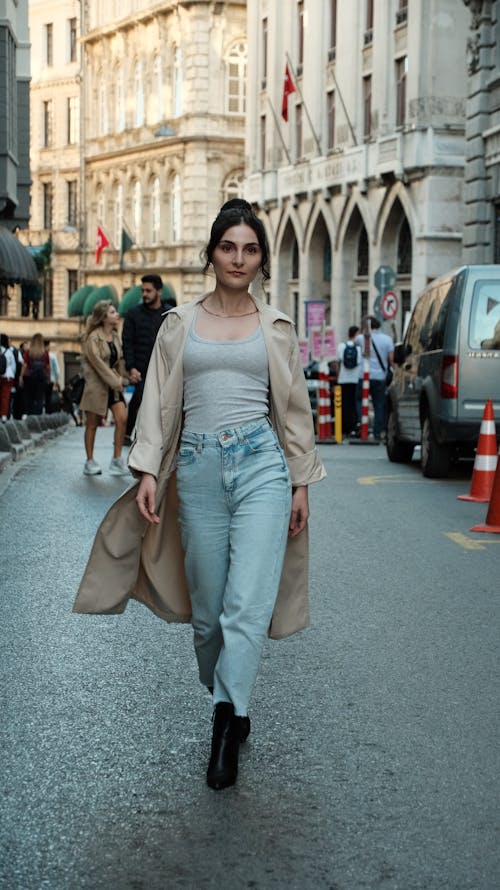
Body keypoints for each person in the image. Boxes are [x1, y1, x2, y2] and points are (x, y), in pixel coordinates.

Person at [73, 199, 326, 791]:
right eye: (228, 246)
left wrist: (299, 482)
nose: (239, 258)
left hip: (261, 465)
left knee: (246, 605)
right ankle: (229, 695)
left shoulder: (277, 327)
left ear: (262, 259)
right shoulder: (178, 325)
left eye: (251, 248)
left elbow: (293, 411)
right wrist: (148, 472)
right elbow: (159, 402)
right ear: (212, 253)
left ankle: (224, 719)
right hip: (198, 469)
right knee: (209, 615)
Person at [122, 274, 176, 444]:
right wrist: (131, 368)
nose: (144, 294)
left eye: (148, 290)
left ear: (159, 291)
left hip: (164, 371)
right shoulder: (133, 314)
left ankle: (161, 439)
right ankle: (127, 437)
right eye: (142, 290)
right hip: (140, 370)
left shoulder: (169, 314)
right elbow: (127, 343)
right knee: (138, 402)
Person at [80, 300, 129, 476]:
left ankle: (116, 459)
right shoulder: (93, 337)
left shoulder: (115, 336)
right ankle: (89, 460)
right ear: (104, 317)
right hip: (96, 386)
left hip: (113, 387)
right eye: (112, 312)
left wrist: (127, 377)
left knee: (122, 418)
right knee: (92, 424)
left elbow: (119, 362)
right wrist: (118, 382)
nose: (116, 314)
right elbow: (99, 365)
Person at [355, 316, 394, 440]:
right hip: (380, 376)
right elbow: (391, 360)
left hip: (364, 375)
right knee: (379, 405)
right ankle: (378, 431)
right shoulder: (387, 339)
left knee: (360, 400)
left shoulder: (361, 338)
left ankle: (362, 424)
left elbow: (355, 343)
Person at [337, 325, 361, 437]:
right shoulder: (359, 348)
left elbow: (337, 362)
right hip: (354, 380)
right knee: (352, 404)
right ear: (356, 334)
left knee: (343, 404)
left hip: (343, 379)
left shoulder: (341, 346)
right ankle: (352, 426)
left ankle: (343, 428)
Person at [19, 333, 50, 415]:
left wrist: (21, 377)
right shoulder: (45, 353)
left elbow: (24, 365)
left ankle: (30, 416)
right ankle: (38, 417)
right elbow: (47, 367)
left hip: (29, 377)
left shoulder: (28, 352)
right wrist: (48, 377)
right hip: (41, 377)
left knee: (29, 398)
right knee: (39, 398)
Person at [0, 334, 19, 420]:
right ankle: (4, 415)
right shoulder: (9, 352)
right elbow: (13, 366)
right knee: (5, 396)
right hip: (8, 376)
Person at [44, 339, 61, 413]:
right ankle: (48, 412)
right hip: (51, 379)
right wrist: (56, 381)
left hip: (41, 379)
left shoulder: (38, 355)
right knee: (48, 397)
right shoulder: (52, 356)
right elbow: (57, 370)